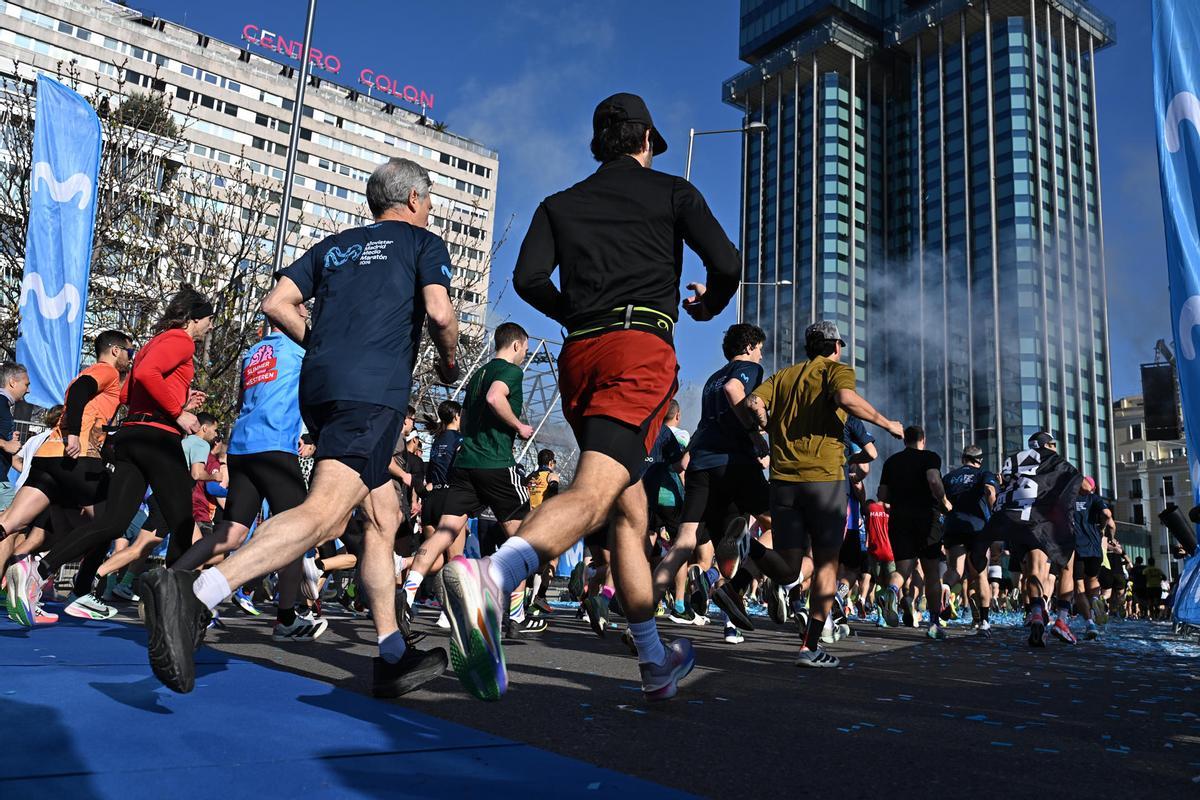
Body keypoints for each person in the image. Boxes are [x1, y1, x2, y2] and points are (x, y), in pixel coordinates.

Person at [441, 92, 739, 701]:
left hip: (581, 354)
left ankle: (655, 661)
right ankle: (493, 578)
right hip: (638, 349)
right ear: (646, 141)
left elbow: (527, 281)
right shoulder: (673, 191)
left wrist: (578, 312)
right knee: (596, 489)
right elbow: (728, 261)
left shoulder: (558, 203)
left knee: (628, 512)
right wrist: (708, 305)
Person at [138, 158, 459, 696]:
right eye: (428, 201)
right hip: (371, 394)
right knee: (323, 513)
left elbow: (276, 303)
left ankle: (392, 654)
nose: (429, 210)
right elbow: (441, 314)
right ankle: (196, 593)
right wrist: (449, 362)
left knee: (382, 514)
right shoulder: (424, 245)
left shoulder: (334, 246)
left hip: (324, 388)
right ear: (412, 198)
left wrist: (325, 345)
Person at [5, 291, 211, 627]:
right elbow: (146, 378)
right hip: (159, 439)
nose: (208, 329)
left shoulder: (149, 345)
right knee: (184, 524)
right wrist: (179, 413)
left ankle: (37, 569)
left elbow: (131, 393)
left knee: (112, 523)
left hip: (131, 437)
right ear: (195, 317)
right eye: (208, 321)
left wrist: (180, 399)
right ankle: (174, 609)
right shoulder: (182, 341)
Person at [737, 321, 903, 666]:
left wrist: (764, 424)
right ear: (836, 347)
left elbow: (751, 402)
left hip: (783, 482)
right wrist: (887, 424)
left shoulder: (783, 376)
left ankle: (748, 545)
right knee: (827, 562)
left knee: (787, 567)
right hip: (824, 481)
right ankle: (810, 647)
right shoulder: (836, 371)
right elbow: (845, 398)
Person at [169, 322, 319, 640]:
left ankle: (170, 582)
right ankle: (286, 618)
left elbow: (240, 401)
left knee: (231, 531)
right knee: (298, 532)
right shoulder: (301, 349)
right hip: (275, 444)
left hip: (242, 445)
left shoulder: (252, 353)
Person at [423, 324, 542, 638]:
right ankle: (514, 615)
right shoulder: (510, 372)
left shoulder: (477, 374)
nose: (526, 355)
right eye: (526, 349)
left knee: (445, 535)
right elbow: (494, 397)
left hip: (465, 466)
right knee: (523, 542)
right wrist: (519, 425)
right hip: (496, 463)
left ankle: (408, 589)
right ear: (517, 345)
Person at [984, 431, 1082, 647]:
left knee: (1033, 570)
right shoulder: (1055, 460)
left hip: (1020, 520)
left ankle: (1037, 613)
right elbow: (1081, 484)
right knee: (1067, 566)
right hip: (1047, 521)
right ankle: (1062, 621)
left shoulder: (1015, 459)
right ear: (1049, 445)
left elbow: (1003, 483)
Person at [877, 426, 951, 639]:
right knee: (931, 572)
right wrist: (944, 502)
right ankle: (934, 623)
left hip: (899, 518)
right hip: (926, 518)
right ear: (923, 440)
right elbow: (934, 480)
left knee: (903, 569)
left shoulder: (891, 461)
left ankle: (891, 591)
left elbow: (883, 494)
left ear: (904, 441)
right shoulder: (930, 457)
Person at [940, 444, 999, 636]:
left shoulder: (949, 477)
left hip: (953, 526)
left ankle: (946, 587)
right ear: (980, 460)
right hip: (977, 528)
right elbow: (990, 492)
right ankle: (983, 622)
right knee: (980, 575)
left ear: (962, 458)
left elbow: (939, 500)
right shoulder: (984, 474)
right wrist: (995, 517)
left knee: (954, 570)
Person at [1072, 477, 1113, 639]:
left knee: (1079, 587)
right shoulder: (1094, 499)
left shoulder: (1070, 497)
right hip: (1095, 548)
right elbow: (1107, 514)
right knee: (1093, 580)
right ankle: (1096, 598)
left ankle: (1090, 624)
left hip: (1077, 547)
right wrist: (1102, 528)